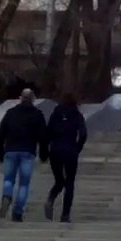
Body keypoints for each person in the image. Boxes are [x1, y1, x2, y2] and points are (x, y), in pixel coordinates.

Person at [0, 88, 46, 222]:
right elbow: (43, 137)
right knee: (24, 184)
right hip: (28, 151)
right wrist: (44, 154)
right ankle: (17, 212)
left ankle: (7, 195)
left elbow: (1, 133)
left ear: (20, 98)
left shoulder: (11, 113)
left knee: (8, 179)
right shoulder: (37, 115)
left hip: (10, 150)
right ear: (33, 99)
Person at [42, 92, 88, 223]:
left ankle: (50, 198)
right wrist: (77, 148)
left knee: (59, 180)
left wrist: (46, 151)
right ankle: (65, 214)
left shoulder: (55, 113)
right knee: (69, 183)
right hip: (70, 151)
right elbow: (83, 134)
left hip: (55, 151)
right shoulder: (77, 115)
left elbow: (47, 133)